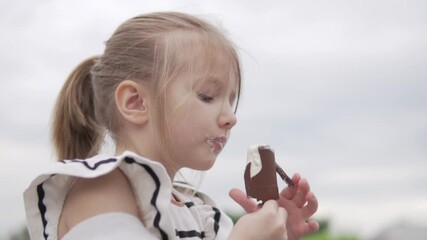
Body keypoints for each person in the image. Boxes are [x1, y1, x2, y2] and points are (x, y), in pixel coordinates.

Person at [23, 12, 319, 240]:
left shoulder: (201, 211)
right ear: (136, 102)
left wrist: (277, 231)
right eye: (207, 96)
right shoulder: (102, 188)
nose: (231, 117)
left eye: (231, 101)